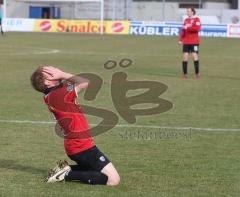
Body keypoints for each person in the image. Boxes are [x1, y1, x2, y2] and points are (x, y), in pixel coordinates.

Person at [30, 66, 120, 186]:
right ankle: (65, 174)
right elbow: (86, 82)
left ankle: (65, 169)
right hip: (81, 146)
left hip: (77, 145)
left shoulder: (52, 94)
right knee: (113, 180)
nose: (55, 72)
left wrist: (61, 76)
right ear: (47, 82)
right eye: (50, 73)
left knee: (96, 171)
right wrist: (62, 74)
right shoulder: (58, 95)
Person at [179, 8, 201, 79]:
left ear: (192, 12)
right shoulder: (186, 20)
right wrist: (180, 39)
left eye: (188, 11)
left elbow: (197, 29)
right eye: (187, 11)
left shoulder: (197, 19)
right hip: (186, 42)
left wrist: (188, 27)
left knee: (195, 56)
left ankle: (197, 74)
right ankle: (185, 74)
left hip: (194, 42)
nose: (187, 13)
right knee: (185, 56)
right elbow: (183, 31)